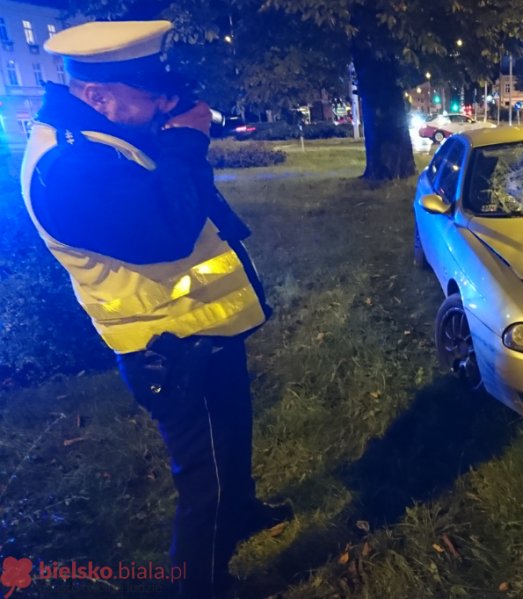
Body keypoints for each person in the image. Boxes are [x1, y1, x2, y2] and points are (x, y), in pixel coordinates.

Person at [20, 20, 291, 597]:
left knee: (230, 445)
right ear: (97, 95)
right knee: (204, 482)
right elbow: (166, 230)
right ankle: (203, 584)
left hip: (204, 329)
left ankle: (240, 514)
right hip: (170, 348)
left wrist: (169, 127)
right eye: (154, 96)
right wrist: (188, 140)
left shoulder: (101, 133)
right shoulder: (66, 166)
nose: (166, 105)